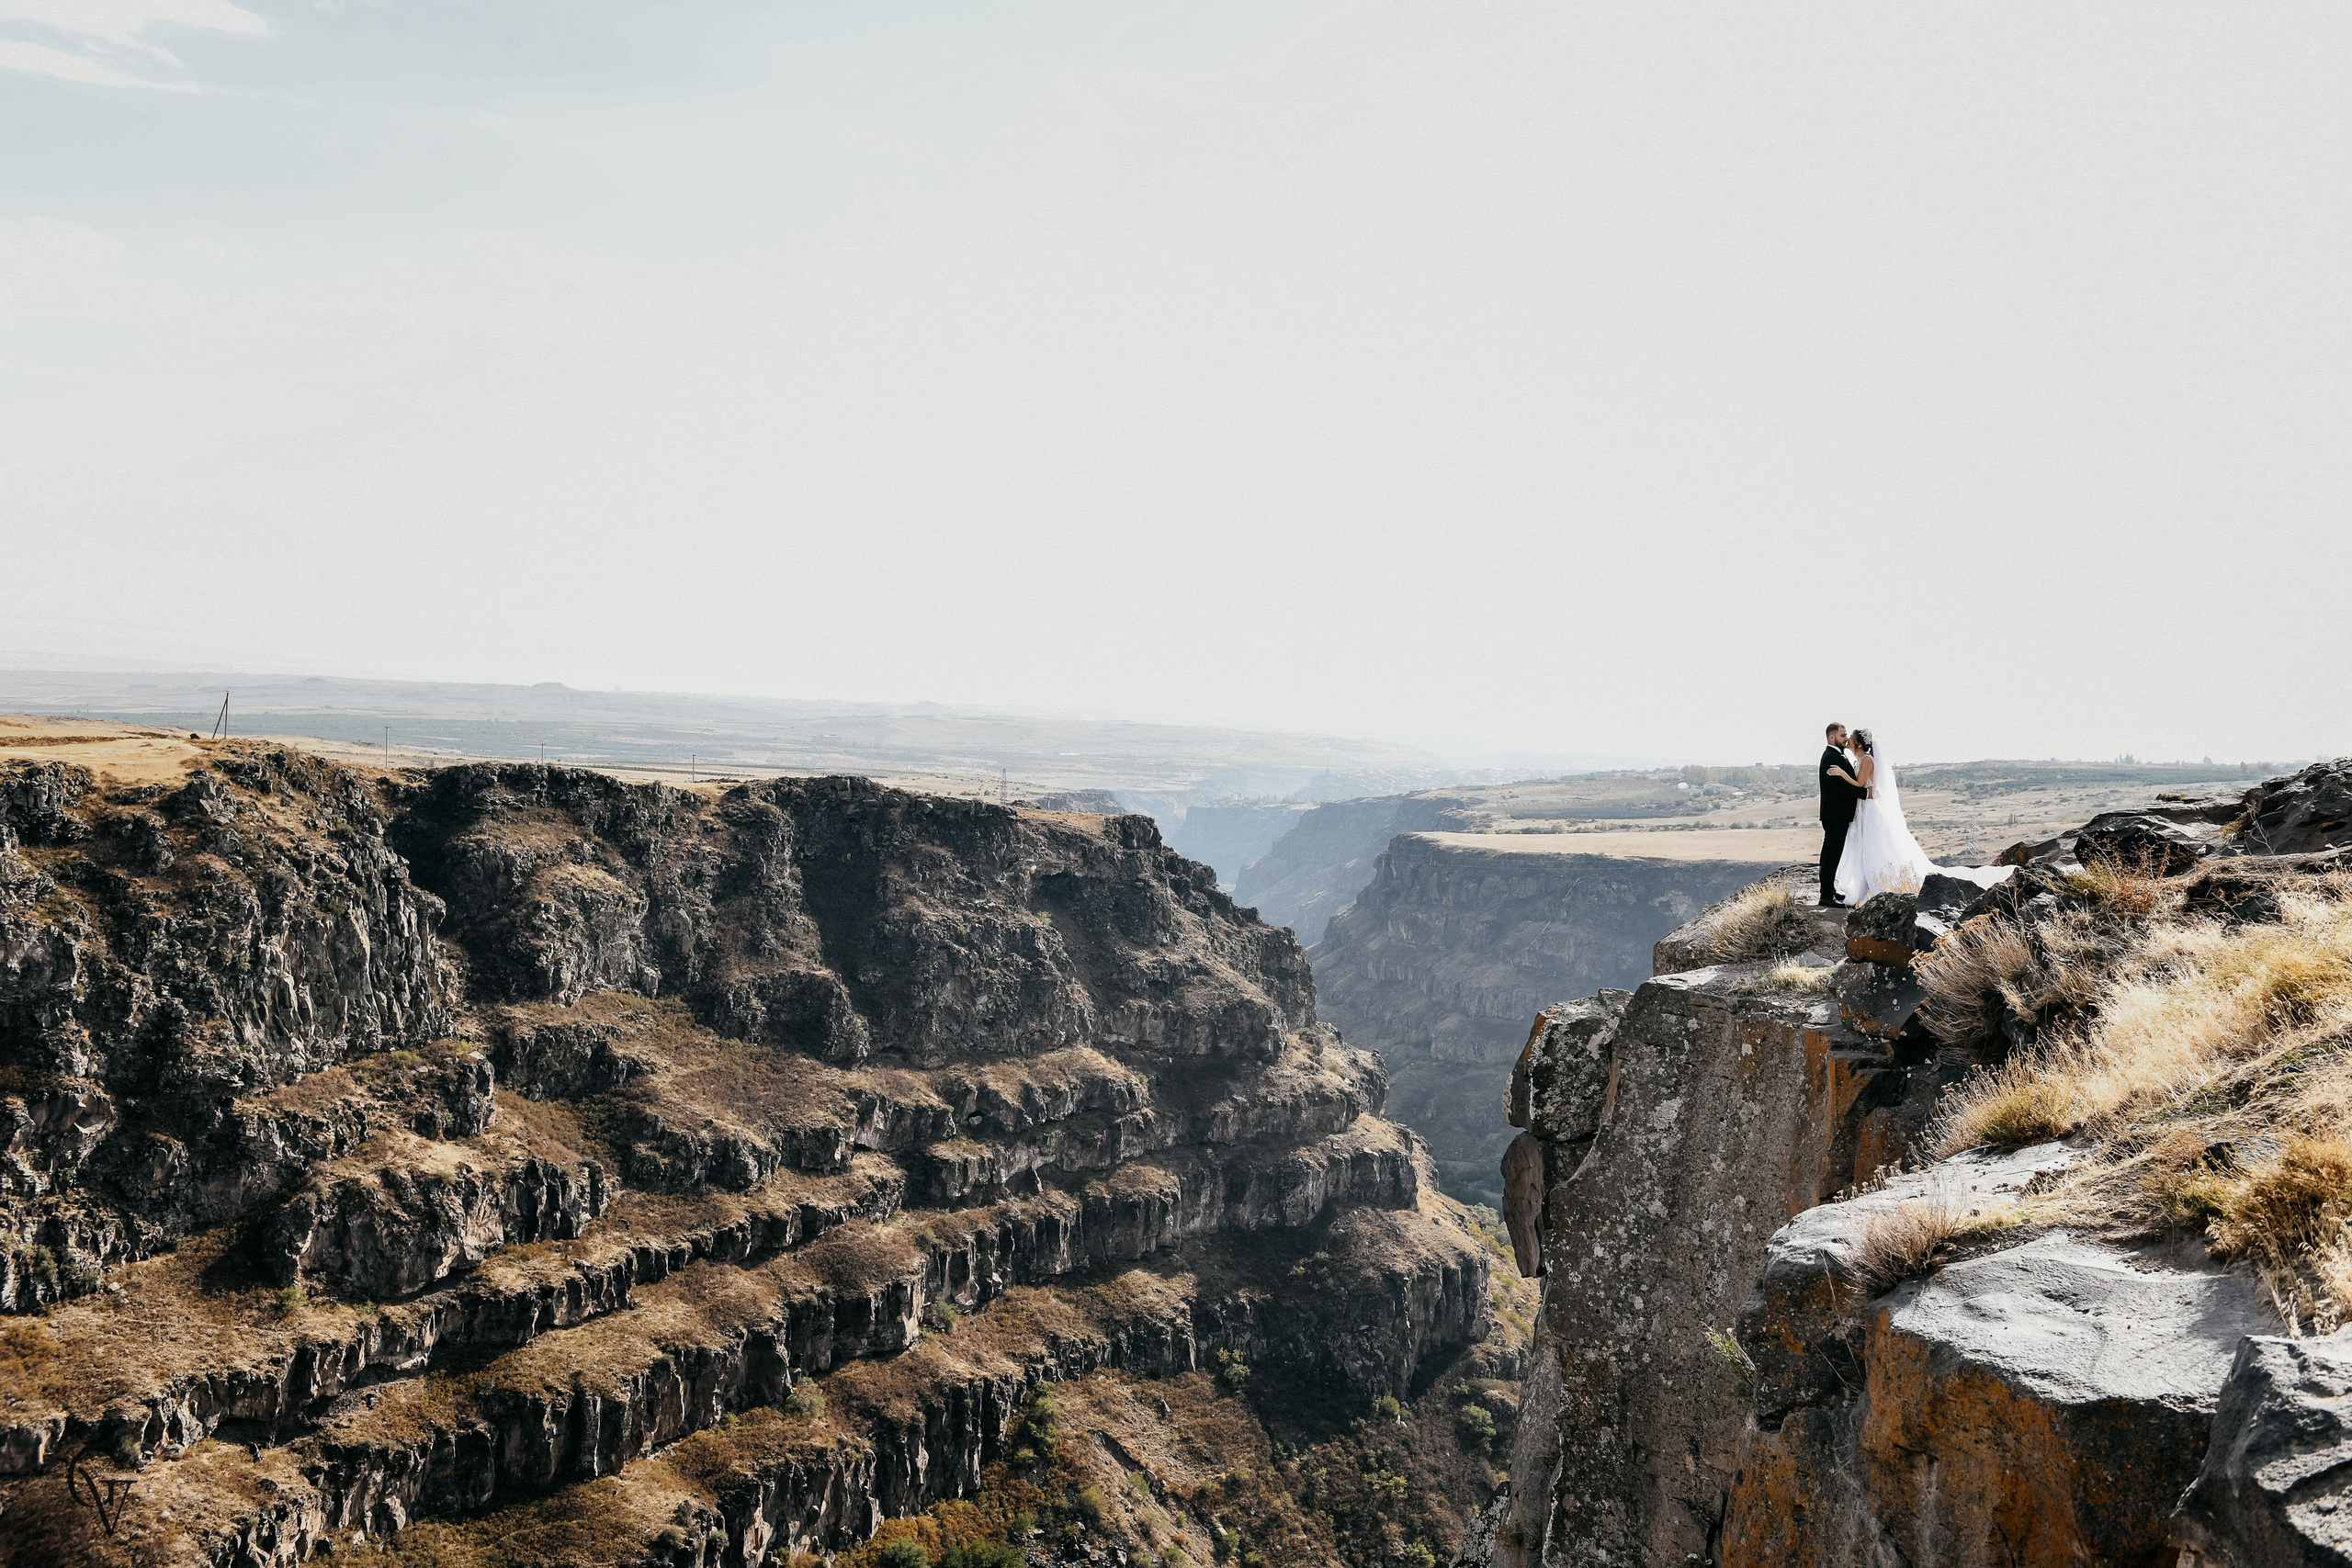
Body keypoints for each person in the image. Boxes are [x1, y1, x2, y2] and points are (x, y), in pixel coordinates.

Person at [1835, 728, 1936, 903]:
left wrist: (1842, 774)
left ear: (1859, 743)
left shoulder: (1867, 760)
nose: (1848, 739)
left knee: (1874, 845)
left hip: (1871, 809)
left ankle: (1882, 882)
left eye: (1851, 737)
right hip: (1863, 807)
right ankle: (1860, 887)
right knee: (1861, 846)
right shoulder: (1859, 760)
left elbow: (1860, 784)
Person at [1817, 722, 1865, 907]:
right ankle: (1826, 896)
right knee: (1831, 855)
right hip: (1835, 815)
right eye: (1843, 735)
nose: (1846, 739)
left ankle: (1829, 891)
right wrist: (1864, 794)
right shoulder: (1831, 757)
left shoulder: (1836, 755)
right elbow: (1841, 787)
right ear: (1832, 737)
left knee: (1832, 854)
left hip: (1837, 815)